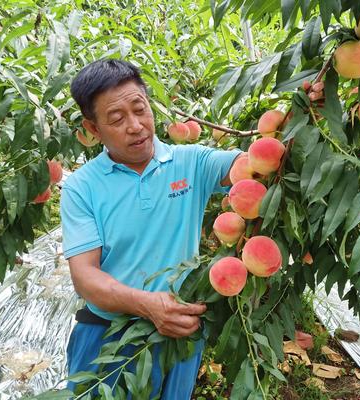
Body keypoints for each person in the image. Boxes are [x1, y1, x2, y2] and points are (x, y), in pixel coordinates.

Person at [61, 59, 241, 398]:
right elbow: (85, 277)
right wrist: (146, 304)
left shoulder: (192, 162)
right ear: (94, 129)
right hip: (107, 335)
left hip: (178, 331)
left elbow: (250, 167)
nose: (135, 126)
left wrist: (302, 120)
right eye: (116, 118)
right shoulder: (81, 187)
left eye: (140, 109)